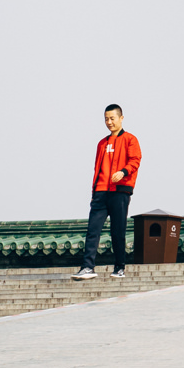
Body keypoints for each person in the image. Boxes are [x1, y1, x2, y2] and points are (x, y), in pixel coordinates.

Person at [74, 104, 141, 280]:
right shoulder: (102, 143)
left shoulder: (130, 139)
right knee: (92, 230)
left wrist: (123, 172)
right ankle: (87, 267)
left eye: (112, 118)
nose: (109, 122)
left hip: (120, 192)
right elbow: (97, 169)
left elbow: (135, 160)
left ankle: (119, 267)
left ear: (121, 118)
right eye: (106, 119)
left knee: (117, 231)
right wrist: (94, 191)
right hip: (100, 192)